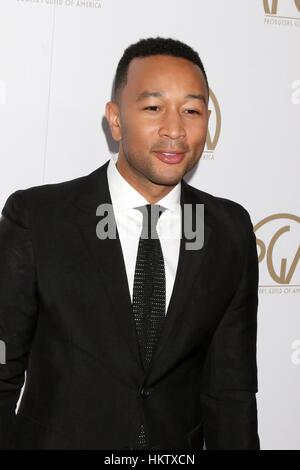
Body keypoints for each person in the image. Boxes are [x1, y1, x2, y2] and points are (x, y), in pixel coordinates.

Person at [0, 37, 260, 450]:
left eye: (191, 110)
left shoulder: (228, 229)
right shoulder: (38, 218)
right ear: (116, 119)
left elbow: (232, 389)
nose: (174, 129)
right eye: (153, 107)